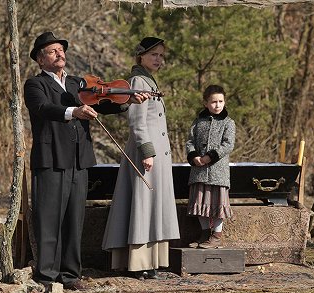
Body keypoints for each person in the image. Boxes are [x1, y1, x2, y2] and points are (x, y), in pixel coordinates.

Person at [24, 31, 149, 290]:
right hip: (50, 158)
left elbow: (102, 102)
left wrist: (127, 100)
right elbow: (43, 109)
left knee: (74, 219)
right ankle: (46, 276)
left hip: (79, 160)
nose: (60, 54)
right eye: (52, 51)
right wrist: (74, 111)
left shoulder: (76, 83)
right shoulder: (35, 85)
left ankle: (70, 275)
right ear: (40, 59)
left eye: (61, 50)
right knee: (48, 220)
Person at [101, 37, 180, 280]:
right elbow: (137, 121)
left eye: (161, 55)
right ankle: (139, 263)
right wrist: (147, 152)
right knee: (143, 205)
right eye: (154, 54)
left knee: (153, 206)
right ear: (141, 56)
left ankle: (152, 261)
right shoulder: (137, 80)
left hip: (157, 154)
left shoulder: (148, 80)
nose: (159, 59)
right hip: (146, 153)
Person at [186, 85, 236, 249]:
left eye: (221, 101)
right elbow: (190, 141)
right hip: (198, 170)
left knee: (217, 203)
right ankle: (205, 233)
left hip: (218, 172)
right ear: (205, 103)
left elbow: (228, 145)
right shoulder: (198, 122)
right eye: (213, 101)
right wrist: (194, 157)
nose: (217, 105)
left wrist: (210, 157)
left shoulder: (229, 123)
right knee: (200, 203)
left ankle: (216, 236)